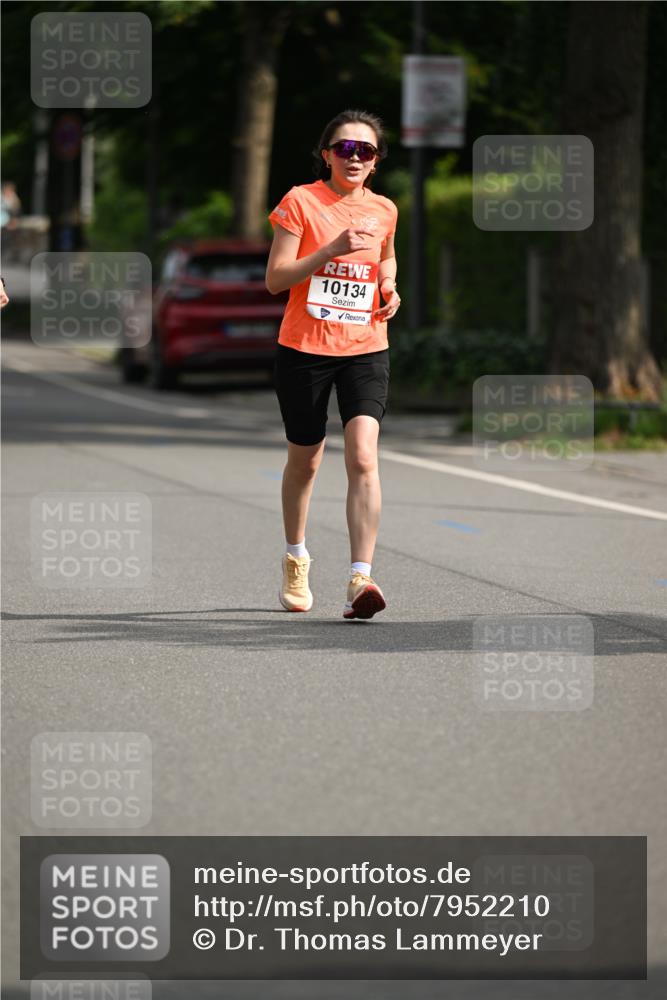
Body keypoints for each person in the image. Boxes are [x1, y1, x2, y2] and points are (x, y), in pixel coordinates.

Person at [266, 109, 401, 620]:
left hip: (366, 345)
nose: (354, 158)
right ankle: (296, 556)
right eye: (344, 148)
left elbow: (385, 258)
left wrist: (388, 286)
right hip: (305, 348)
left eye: (365, 151)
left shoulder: (384, 209)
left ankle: (360, 577)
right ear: (326, 154)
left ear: (375, 162)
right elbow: (277, 279)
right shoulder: (300, 202)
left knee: (364, 456)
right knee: (307, 460)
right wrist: (329, 250)